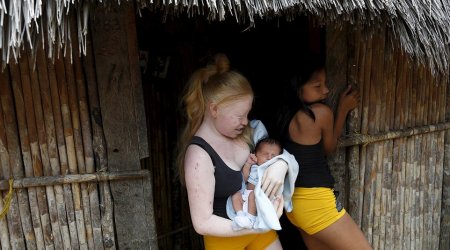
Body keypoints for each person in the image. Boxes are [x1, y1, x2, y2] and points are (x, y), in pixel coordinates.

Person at [177, 53, 289, 250]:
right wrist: (258, 226)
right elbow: (202, 223)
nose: (245, 122)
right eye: (239, 116)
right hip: (225, 242)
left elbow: (275, 151)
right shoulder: (198, 155)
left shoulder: (245, 132)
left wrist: (281, 164)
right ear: (214, 109)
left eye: (247, 114)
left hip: (262, 235)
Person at [276, 57, 372, 249]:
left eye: (325, 84)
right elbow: (329, 147)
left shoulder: (286, 117)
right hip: (315, 202)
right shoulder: (320, 112)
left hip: (294, 204)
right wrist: (343, 110)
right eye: (317, 86)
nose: (326, 90)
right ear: (298, 89)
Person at [231, 138, 283, 229]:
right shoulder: (254, 167)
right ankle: (240, 215)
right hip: (245, 195)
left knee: (253, 194)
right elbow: (244, 178)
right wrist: (248, 164)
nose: (269, 158)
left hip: (258, 199)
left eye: (274, 156)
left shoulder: (271, 171)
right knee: (235, 194)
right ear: (256, 154)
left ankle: (251, 219)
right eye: (265, 154)